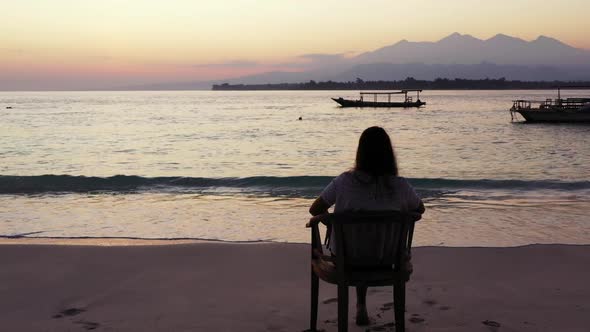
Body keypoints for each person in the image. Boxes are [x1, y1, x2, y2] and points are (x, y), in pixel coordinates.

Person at [309, 126, 425, 326]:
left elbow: (315, 209)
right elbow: (419, 209)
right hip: (387, 260)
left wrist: (328, 220)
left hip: (347, 262)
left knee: (356, 247)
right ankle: (363, 306)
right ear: (389, 154)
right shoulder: (400, 185)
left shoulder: (343, 182)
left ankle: (360, 304)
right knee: (370, 243)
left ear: (360, 153)